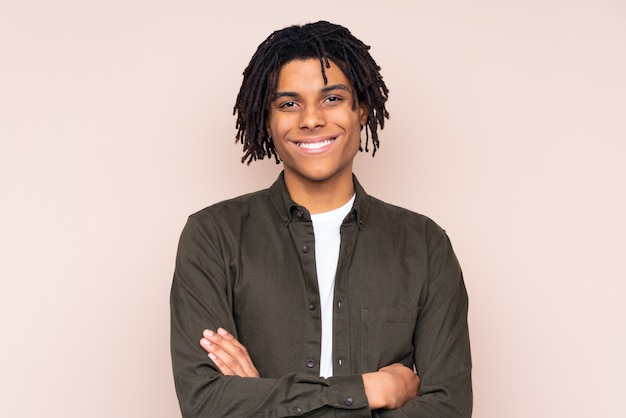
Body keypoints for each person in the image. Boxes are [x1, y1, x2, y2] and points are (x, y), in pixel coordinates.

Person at [170, 21, 472, 417]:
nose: (311, 119)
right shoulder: (213, 237)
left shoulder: (425, 246)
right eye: (289, 104)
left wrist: (262, 398)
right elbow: (206, 404)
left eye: (331, 99)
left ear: (361, 110)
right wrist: (371, 389)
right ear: (267, 121)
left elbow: (448, 409)